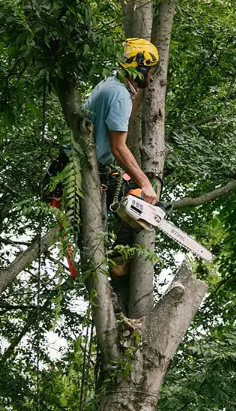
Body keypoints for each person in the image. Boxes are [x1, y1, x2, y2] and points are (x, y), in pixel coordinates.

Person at [83, 38, 160, 304]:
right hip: (89, 171)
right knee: (140, 195)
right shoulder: (118, 96)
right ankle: (116, 262)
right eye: (150, 69)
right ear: (140, 67)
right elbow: (118, 147)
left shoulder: (113, 86)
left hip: (93, 166)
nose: (152, 76)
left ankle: (117, 260)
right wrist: (146, 182)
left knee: (132, 191)